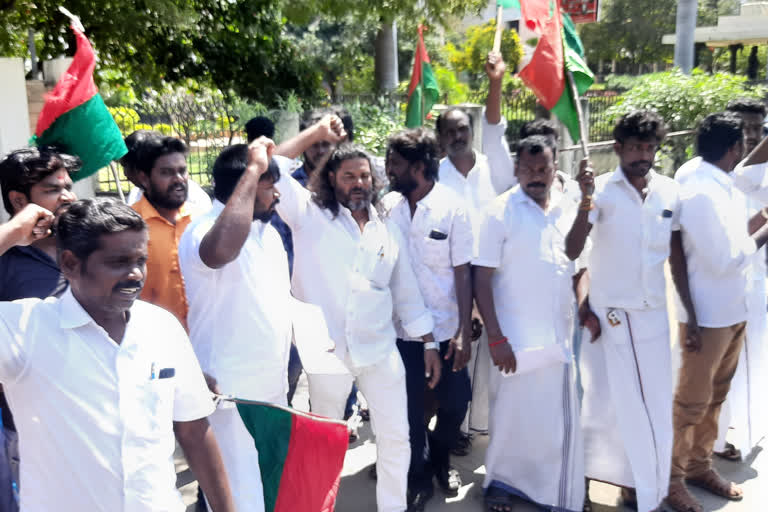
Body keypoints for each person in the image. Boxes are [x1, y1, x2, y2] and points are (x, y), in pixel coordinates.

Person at [0, 197, 234, 512]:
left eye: (141, 259)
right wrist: (13, 231)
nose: (136, 274)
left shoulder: (161, 327)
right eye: (118, 262)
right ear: (70, 263)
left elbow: (194, 429)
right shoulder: (24, 329)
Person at [274, 127, 439, 512]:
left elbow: (407, 292)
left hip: (380, 350)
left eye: (364, 175)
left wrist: (429, 341)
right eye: (348, 175)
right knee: (325, 440)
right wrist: (316, 132)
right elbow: (275, 165)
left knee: (396, 436)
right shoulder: (307, 215)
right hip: (326, 353)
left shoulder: (386, 227)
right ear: (331, 178)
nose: (358, 183)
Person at [565, 111, 696, 512]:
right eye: (636, 147)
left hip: (654, 317)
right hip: (607, 321)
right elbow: (572, 251)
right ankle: (582, 487)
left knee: (654, 408)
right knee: (599, 408)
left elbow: (676, 260)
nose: (644, 155)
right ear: (618, 148)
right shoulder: (599, 192)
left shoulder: (671, 192)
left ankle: (642, 487)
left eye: (650, 147)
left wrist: (690, 315)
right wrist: (585, 198)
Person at [179, 138, 291, 512]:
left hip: (272, 389)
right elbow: (222, 251)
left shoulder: (269, 234)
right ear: (243, 183)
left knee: (269, 488)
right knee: (238, 497)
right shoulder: (202, 230)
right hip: (230, 394)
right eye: (267, 184)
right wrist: (254, 168)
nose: (275, 194)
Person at [474, 135, 584, 512]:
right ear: (517, 169)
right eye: (529, 169)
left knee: (550, 421)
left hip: (558, 334)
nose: (536, 176)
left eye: (544, 169)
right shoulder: (499, 211)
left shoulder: (566, 207)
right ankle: (500, 484)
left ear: (555, 170)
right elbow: (481, 279)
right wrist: (496, 337)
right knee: (509, 418)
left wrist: (586, 201)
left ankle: (550, 489)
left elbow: (574, 259)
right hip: (514, 339)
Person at [666, 112, 768, 512]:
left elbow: (733, 238)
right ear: (734, 149)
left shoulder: (718, 182)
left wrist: (758, 219)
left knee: (715, 398)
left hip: (730, 309)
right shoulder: (700, 191)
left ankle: (698, 465)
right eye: (744, 141)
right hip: (707, 318)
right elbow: (727, 257)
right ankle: (672, 480)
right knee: (691, 402)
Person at [381, 128, 474, 509]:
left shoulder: (454, 207)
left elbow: (464, 272)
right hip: (402, 331)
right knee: (410, 410)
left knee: (456, 402)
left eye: (395, 164)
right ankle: (417, 477)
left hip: (446, 328)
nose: (388, 171)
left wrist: (465, 332)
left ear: (419, 167)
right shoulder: (389, 207)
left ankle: (441, 457)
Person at [0, 146, 79, 511]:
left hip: (87, 418)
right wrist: (15, 233)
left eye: (69, 186)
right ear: (19, 199)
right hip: (23, 432)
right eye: (53, 189)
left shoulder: (86, 249)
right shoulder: (6, 263)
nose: (68, 197)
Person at [435, 107, 495, 453]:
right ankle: (453, 428)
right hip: (451, 279)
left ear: (471, 131)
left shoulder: (493, 169)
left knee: (490, 357)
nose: (458, 137)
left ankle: (481, 425)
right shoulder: (437, 175)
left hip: (492, 277)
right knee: (459, 356)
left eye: (462, 130)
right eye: (450, 132)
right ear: (441, 137)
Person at [711, 99, 768, 461]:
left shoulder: (756, 173)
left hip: (756, 281)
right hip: (724, 287)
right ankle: (716, 442)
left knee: (751, 362)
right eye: (743, 128)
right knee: (723, 370)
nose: (749, 136)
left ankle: (738, 429)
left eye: (756, 129)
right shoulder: (721, 175)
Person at [131, 135, 203, 330]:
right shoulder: (128, 226)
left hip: (203, 340)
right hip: (154, 340)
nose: (178, 179)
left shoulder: (201, 220)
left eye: (182, 171)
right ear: (144, 178)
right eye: (167, 172)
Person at [122, 130, 211, 211]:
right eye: (167, 172)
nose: (125, 174)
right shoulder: (135, 199)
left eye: (182, 171)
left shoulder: (195, 202)